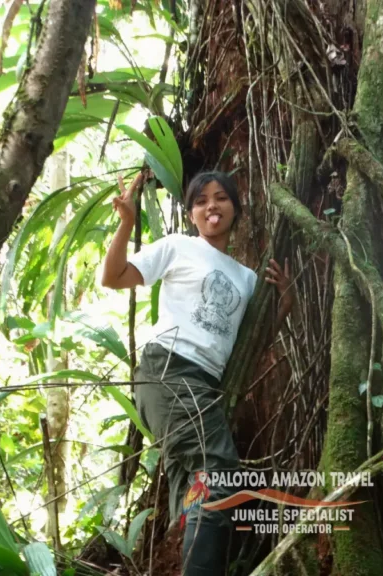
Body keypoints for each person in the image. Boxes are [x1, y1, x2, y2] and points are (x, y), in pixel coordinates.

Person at [101, 170, 294, 575]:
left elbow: (252, 343)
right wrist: (127, 225)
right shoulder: (178, 247)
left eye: (221, 198)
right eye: (201, 200)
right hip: (169, 368)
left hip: (206, 386)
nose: (212, 206)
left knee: (190, 494)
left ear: (235, 209)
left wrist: (285, 303)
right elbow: (113, 277)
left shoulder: (247, 279)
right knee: (219, 471)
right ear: (191, 214)